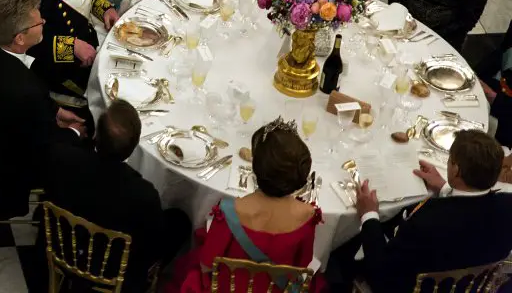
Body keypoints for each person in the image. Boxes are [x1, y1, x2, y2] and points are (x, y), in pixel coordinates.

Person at [328, 130, 512, 292]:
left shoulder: (427, 221)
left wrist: (369, 214)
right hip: (468, 284)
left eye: (450, 160)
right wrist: (445, 187)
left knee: (339, 250)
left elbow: (381, 270)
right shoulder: (507, 205)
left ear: (456, 170)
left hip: (403, 285)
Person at [0, 0, 86, 218]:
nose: (44, 23)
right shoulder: (25, 92)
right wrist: (74, 133)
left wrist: (56, 111)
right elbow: (45, 145)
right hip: (12, 162)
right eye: (39, 22)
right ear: (19, 38)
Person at [45, 102, 191, 292]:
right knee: (180, 222)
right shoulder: (144, 195)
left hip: (64, 247)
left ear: (96, 135)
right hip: (114, 271)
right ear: (133, 148)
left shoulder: (62, 158)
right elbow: (151, 245)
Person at [167, 118, 322, 293]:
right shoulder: (309, 215)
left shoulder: (230, 211)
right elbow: (301, 267)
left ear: (256, 168)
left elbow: (206, 265)